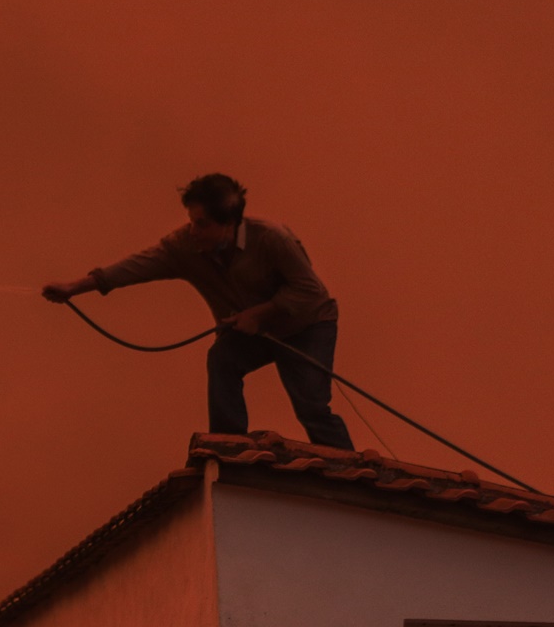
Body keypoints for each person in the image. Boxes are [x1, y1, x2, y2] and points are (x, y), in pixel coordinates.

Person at [43, 174, 353, 448]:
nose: (193, 230)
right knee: (223, 358)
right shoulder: (184, 246)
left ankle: (353, 478)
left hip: (307, 325)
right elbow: (135, 267)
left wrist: (258, 313)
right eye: (192, 221)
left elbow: (310, 290)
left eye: (202, 223)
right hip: (251, 331)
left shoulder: (272, 238)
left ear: (230, 224)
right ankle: (228, 447)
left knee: (311, 408)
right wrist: (74, 287)